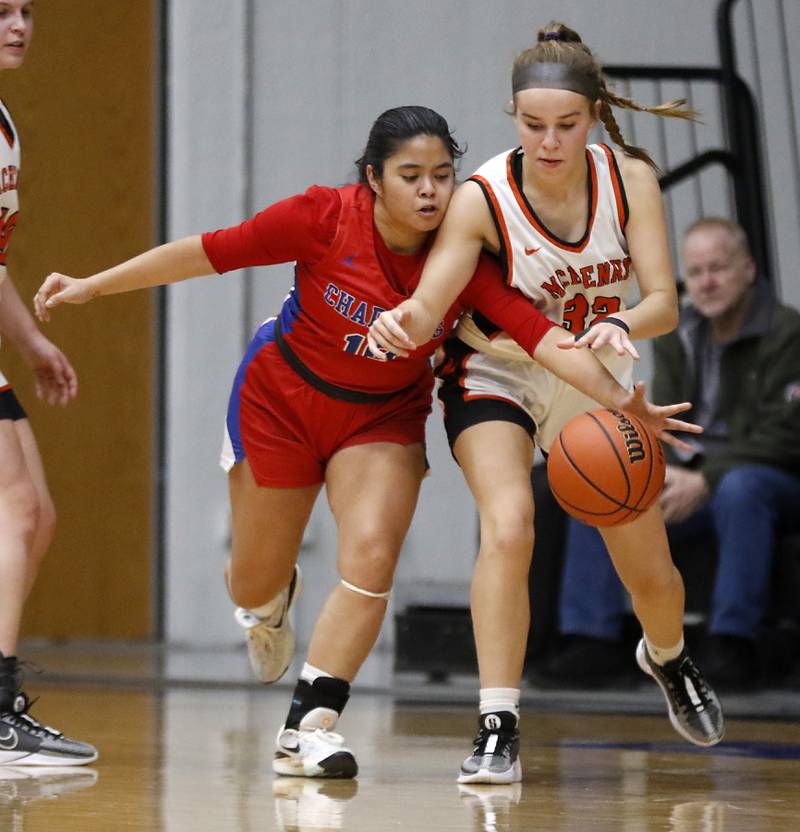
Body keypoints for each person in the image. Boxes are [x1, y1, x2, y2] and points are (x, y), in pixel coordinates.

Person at [35, 105, 698, 780]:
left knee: (374, 553)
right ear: (373, 178)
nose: (430, 191)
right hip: (282, 401)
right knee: (254, 577)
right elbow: (212, 251)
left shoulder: (463, 255)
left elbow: (541, 336)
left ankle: (309, 727)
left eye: (442, 174)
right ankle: (267, 606)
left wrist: (623, 400)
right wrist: (95, 284)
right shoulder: (321, 216)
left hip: (381, 415)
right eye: (410, 176)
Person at [368, 22, 725, 784]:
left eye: (566, 125)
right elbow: (434, 298)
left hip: (592, 371)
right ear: (513, 118)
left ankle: (666, 656)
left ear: (593, 117)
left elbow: (664, 299)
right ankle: (499, 722)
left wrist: (619, 319)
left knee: (651, 573)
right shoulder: (481, 198)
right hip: (495, 370)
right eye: (533, 126)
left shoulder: (629, 178)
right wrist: (405, 320)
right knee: (509, 526)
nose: (550, 141)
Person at [543, 217, 800, 691]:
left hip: (765, 479)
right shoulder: (678, 332)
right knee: (602, 478)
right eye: (696, 270)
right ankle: (591, 637)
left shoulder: (787, 332)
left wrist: (708, 477)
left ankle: (733, 642)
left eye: (718, 268)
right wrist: (665, 473)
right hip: (691, 476)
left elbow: (785, 435)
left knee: (743, 490)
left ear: (748, 268)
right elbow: (666, 421)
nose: (706, 281)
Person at [0, 0, 97, 767]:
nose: (19, 23)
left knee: (41, 517)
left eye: (27, 10)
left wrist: (30, 339)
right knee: (16, 507)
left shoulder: (4, 121)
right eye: (1, 10)